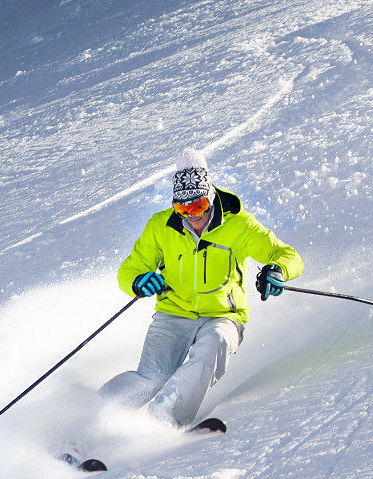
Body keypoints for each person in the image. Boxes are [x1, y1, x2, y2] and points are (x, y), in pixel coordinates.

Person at [99, 149, 303, 428]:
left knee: (213, 348)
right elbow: (129, 270)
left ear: (210, 198)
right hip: (173, 313)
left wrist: (278, 271)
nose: (191, 215)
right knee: (151, 378)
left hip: (223, 315)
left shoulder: (239, 225)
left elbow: (288, 255)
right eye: (183, 209)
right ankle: (90, 418)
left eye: (198, 207)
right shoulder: (161, 227)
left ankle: (163, 419)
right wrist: (139, 281)